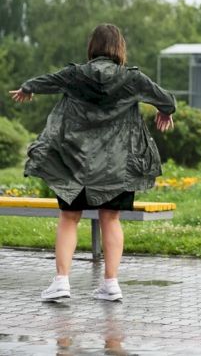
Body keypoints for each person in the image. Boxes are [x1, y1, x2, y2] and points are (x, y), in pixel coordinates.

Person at [9, 23, 176, 301]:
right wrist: (165, 111)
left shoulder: (75, 75)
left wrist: (28, 88)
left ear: (92, 47)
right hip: (117, 166)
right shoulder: (132, 79)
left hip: (76, 164)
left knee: (69, 218)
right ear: (119, 47)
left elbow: (47, 81)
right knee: (111, 219)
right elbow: (166, 99)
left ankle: (61, 282)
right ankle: (111, 284)